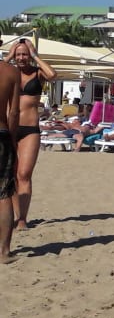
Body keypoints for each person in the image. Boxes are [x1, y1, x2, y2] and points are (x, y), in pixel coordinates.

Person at [5, 39, 57, 232]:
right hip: (8, 129)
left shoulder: (38, 73)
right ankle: (14, 215)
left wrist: (35, 55)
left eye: (24, 54)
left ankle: (22, 219)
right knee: (10, 175)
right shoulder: (8, 71)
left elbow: (52, 75)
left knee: (24, 174)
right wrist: (8, 57)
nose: (21, 58)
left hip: (29, 130)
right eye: (18, 54)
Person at [1, 55, 18, 263]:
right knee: (4, 193)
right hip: (2, 133)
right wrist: (13, 139)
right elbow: (14, 112)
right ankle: (4, 252)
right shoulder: (11, 71)